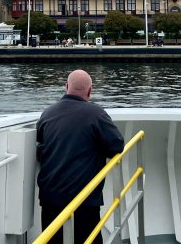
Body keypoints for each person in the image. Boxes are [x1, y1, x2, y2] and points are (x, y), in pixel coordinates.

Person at [36, 69, 124, 244]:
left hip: (50, 198)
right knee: (88, 239)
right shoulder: (96, 114)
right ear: (90, 91)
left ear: (66, 86)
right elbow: (117, 146)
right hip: (84, 199)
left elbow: (41, 144)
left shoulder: (47, 113)